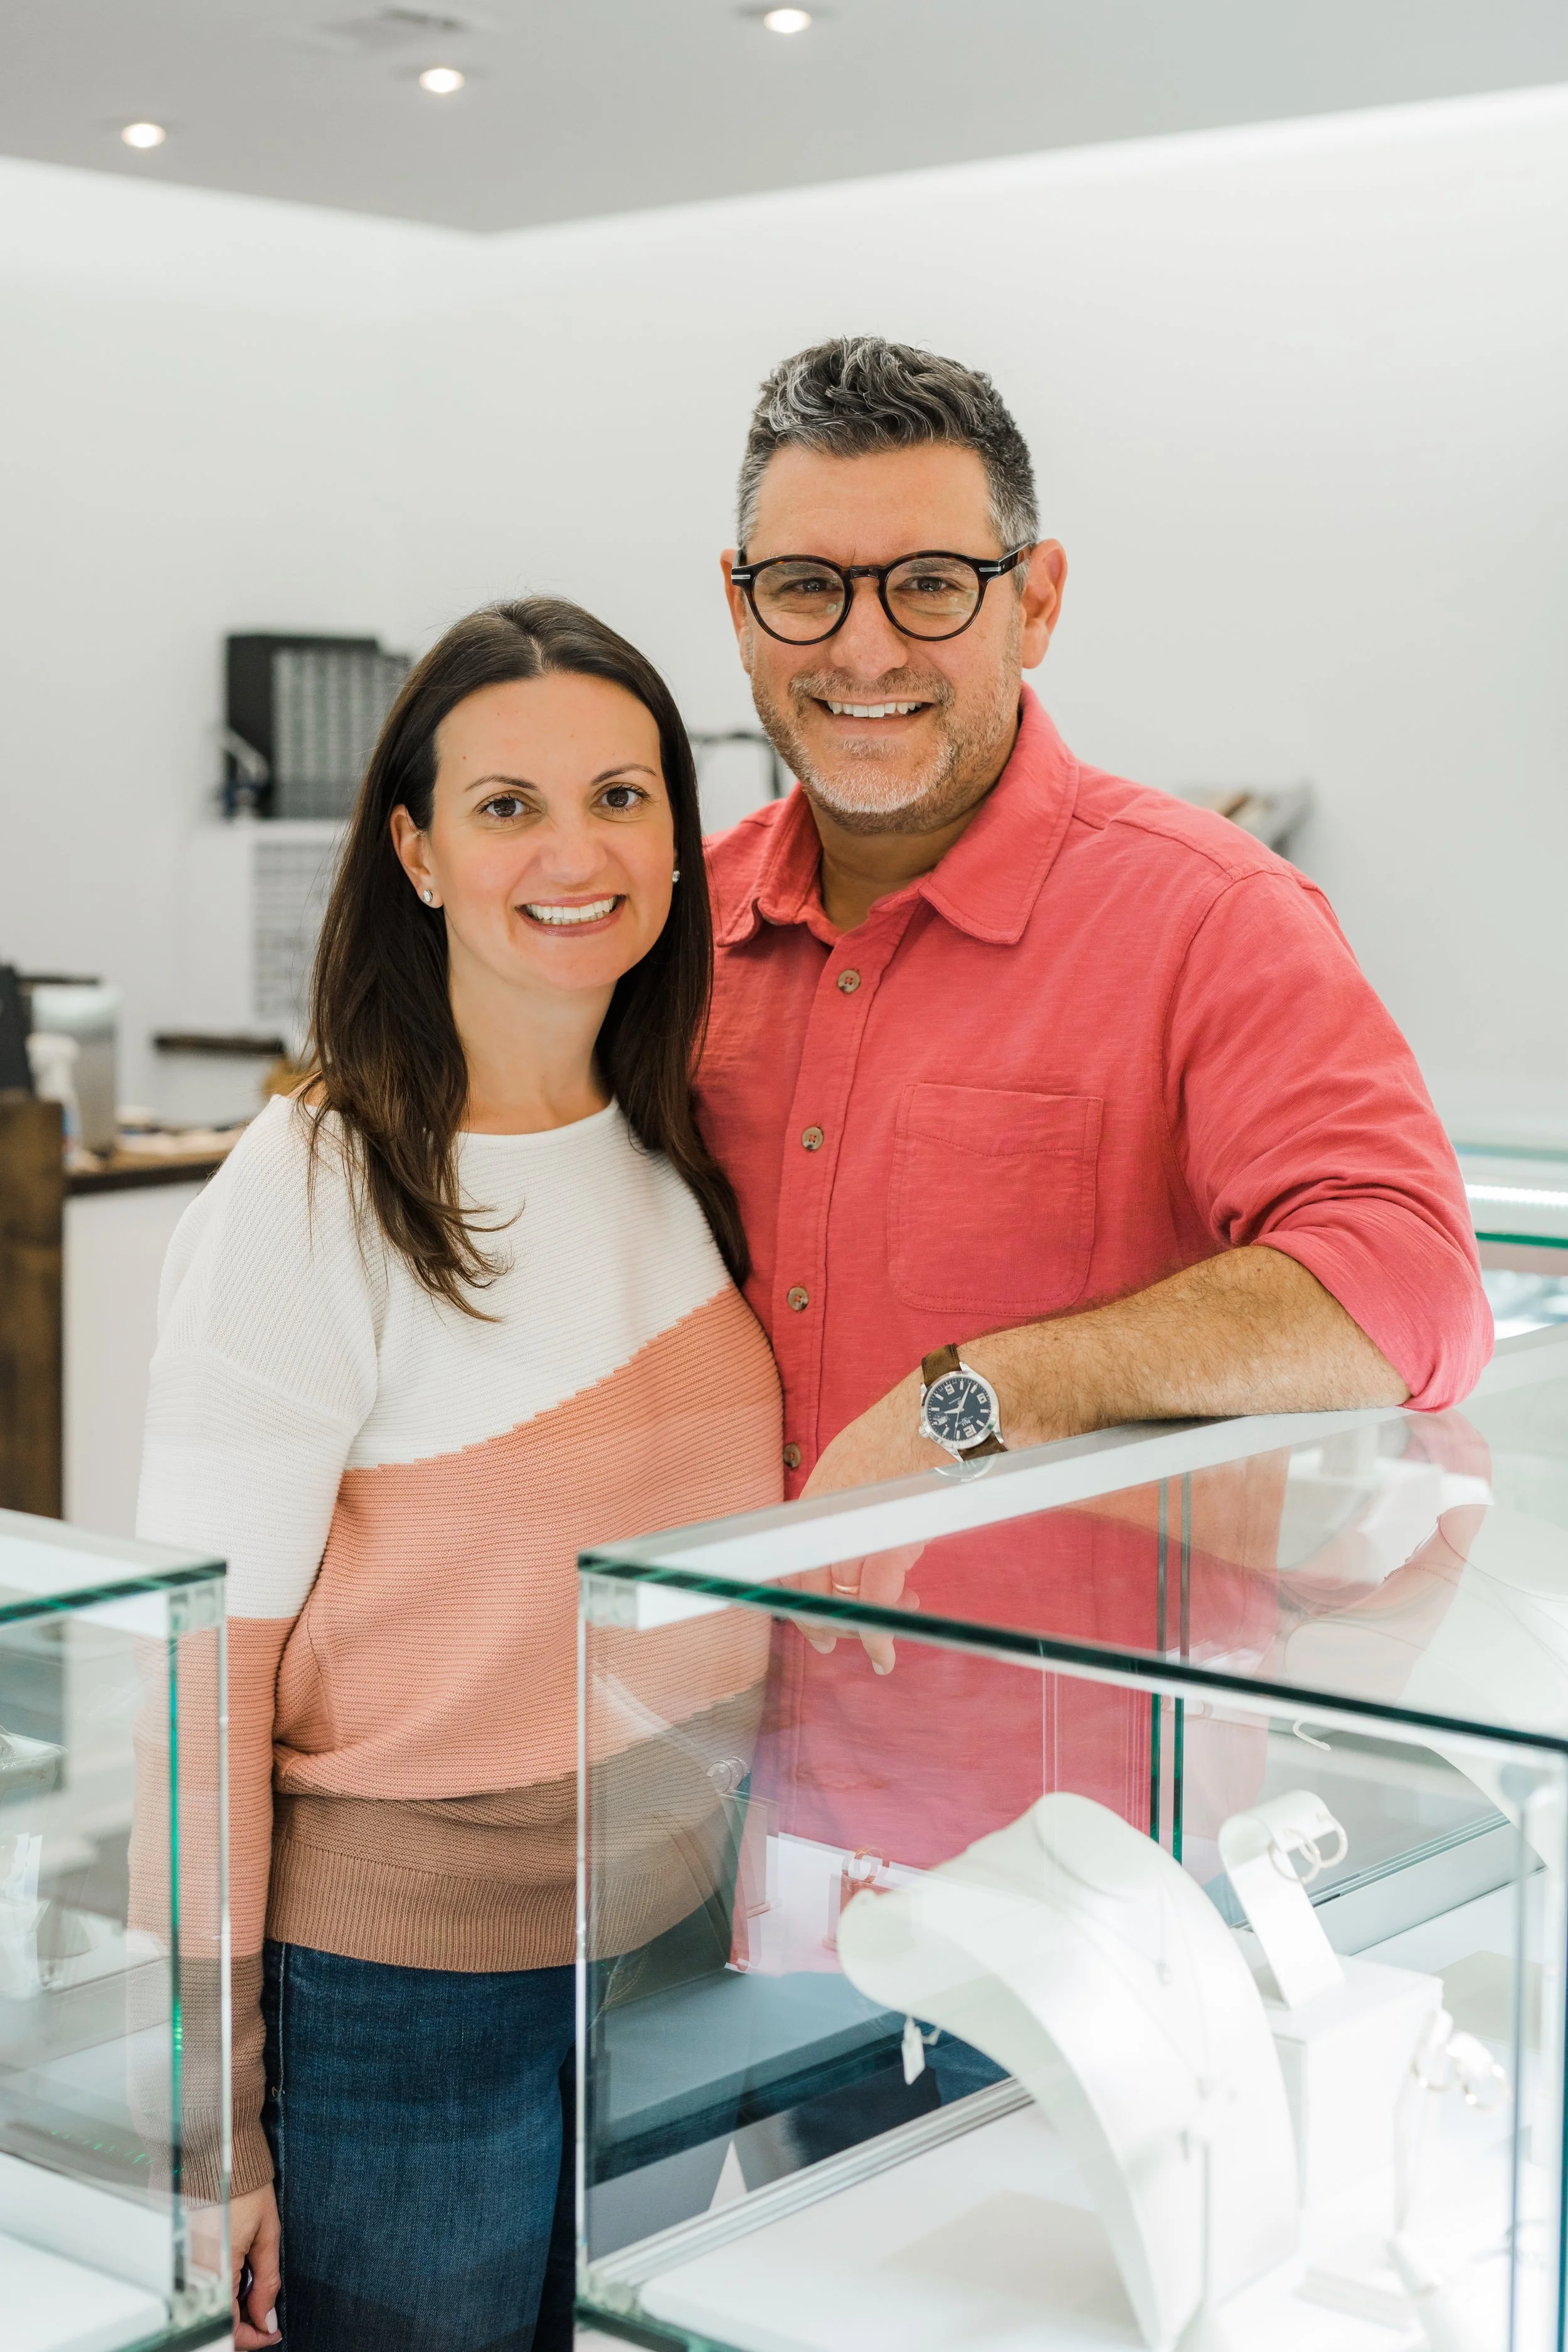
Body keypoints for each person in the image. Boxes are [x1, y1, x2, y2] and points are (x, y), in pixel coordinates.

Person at [693, 335, 1491, 1860]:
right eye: (806, 587)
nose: (861, 650)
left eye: (929, 583)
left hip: (1070, 1871)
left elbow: (1412, 1291)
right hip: (701, 1818)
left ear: (1034, 600)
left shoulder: (1206, 916)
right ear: (740, 607)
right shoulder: (679, 926)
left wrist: (970, 1406)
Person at [136, 600, 782, 2351]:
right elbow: (196, 1690)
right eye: (506, 805)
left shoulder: (675, 1141)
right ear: (412, 848)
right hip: (404, 1996)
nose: (578, 851)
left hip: (671, 1937)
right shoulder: (315, 1181)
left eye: (623, 795)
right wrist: (211, 2129)